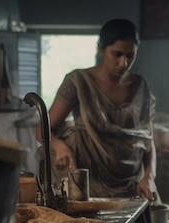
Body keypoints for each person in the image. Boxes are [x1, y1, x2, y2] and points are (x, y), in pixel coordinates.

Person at [37, 18, 158, 201]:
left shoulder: (140, 87)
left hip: (129, 183)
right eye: (116, 54)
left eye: (130, 55)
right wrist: (59, 145)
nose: (123, 63)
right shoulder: (78, 82)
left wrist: (149, 177)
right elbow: (42, 130)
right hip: (86, 181)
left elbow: (147, 140)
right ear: (101, 49)